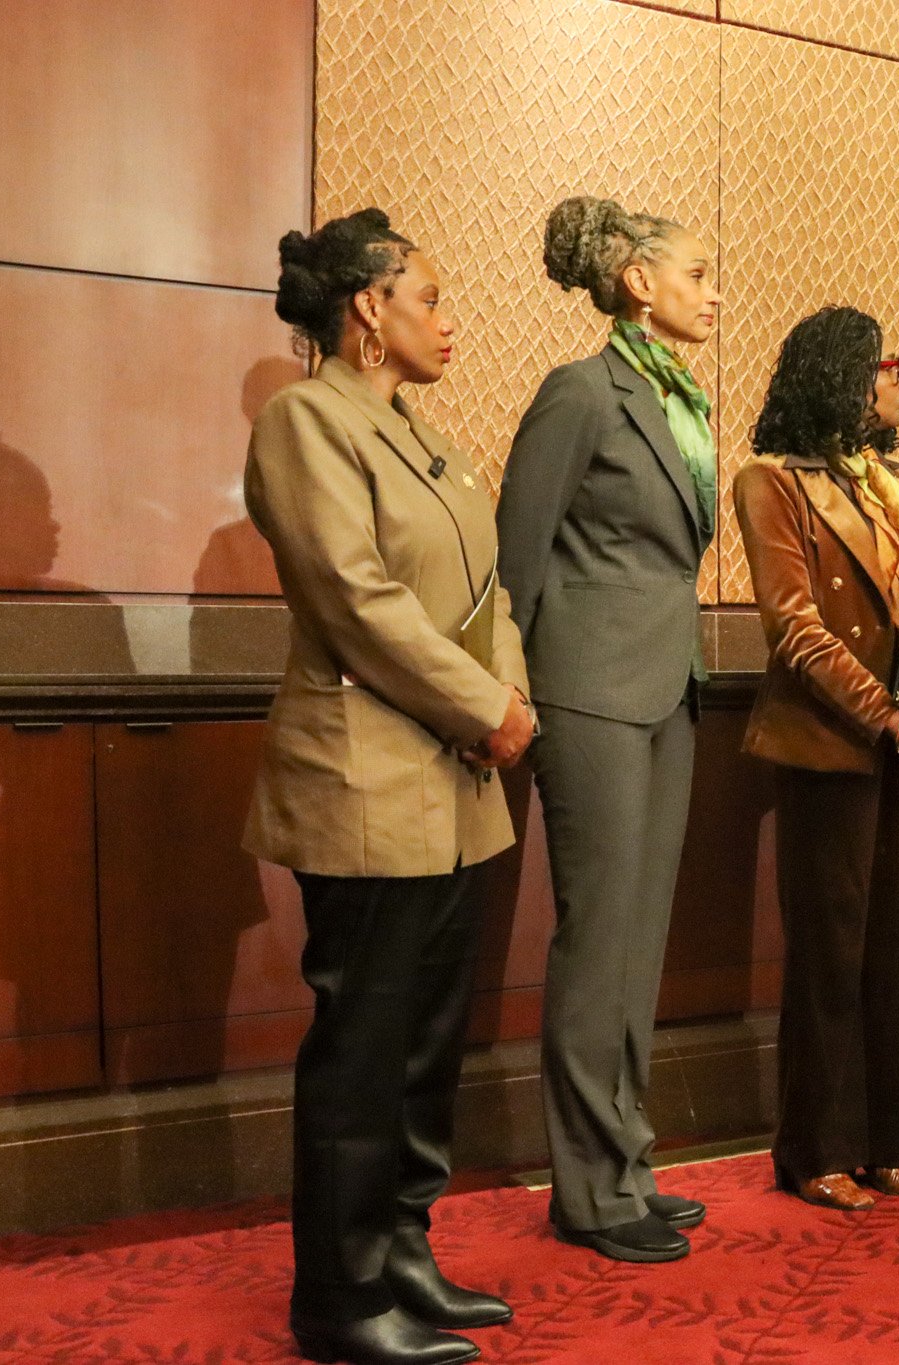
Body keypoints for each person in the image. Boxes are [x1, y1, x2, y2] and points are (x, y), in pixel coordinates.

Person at [247, 208, 536, 1365]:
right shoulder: (305, 421)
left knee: (425, 1043)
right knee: (362, 1048)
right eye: (428, 296)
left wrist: (503, 705)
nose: (445, 318)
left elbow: (489, 595)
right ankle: (341, 1296)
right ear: (368, 309)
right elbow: (357, 604)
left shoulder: (429, 439)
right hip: (366, 780)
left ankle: (405, 1253)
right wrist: (487, 711)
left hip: (455, 782)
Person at [495, 196, 721, 1264]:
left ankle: (625, 1161)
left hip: (668, 688)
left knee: (638, 943)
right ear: (637, 281)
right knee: (594, 945)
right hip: (585, 692)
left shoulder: (682, 400)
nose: (712, 291)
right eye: (696, 273)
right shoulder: (579, 393)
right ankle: (586, 1192)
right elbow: (518, 558)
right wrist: (520, 699)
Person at [734, 306, 899, 1211]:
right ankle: (814, 1151)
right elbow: (793, 626)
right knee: (830, 953)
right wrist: (891, 717)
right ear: (839, 374)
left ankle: (888, 1144)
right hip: (831, 745)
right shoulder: (772, 481)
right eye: (889, 365)